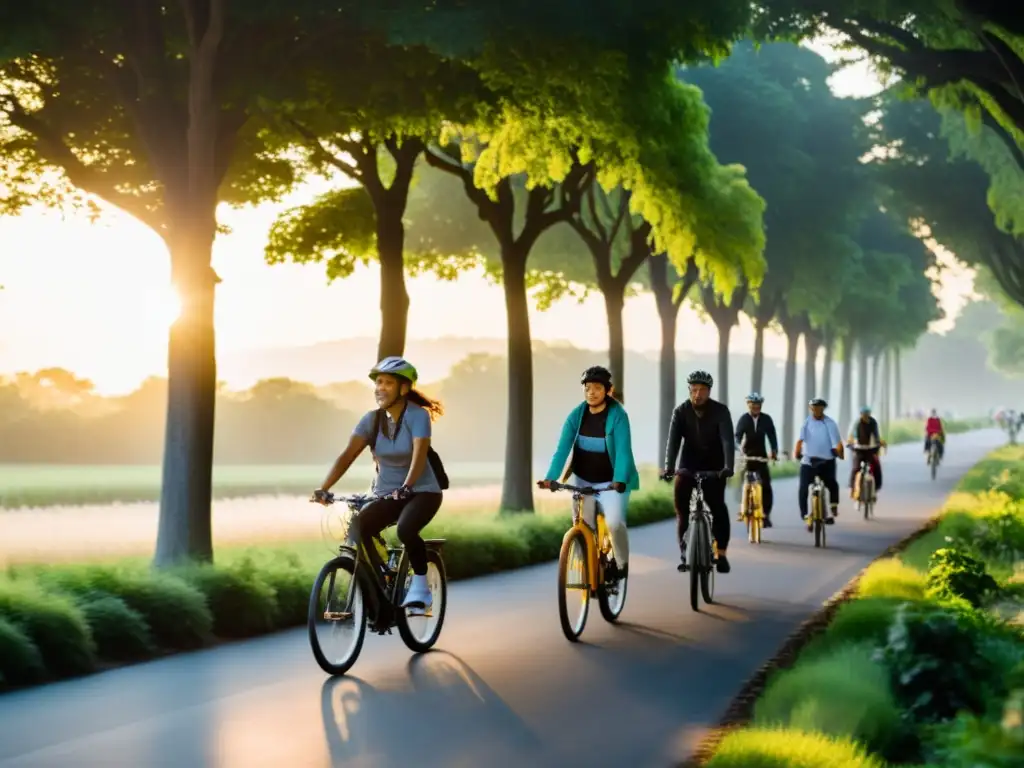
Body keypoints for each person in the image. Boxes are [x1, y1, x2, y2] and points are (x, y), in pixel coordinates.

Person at [312, 356, 443, 615]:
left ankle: (420, 588)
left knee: (406, 530)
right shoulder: (371, 420)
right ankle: (384, 581)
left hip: (423, 492)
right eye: (378, 382)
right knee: (359, 526)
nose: (380, 388)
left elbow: (419, 455)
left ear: (404, 388)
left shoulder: (418, 417)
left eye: (388, 383)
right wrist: (323, 488)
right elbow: (347, 456)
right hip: (388, 494)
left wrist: (407, 486)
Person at [539, 365, 639, 582]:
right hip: (583, 480)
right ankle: (587, 567)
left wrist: (620, 480)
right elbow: (562, 448)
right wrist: (550, 478)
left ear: (608, 390)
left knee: (614, 523)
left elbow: (623, 451)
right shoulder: (577, 415)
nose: (591, 392)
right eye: (587, 388)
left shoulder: (618, 416)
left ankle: (621, 563)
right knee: (582, 525)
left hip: (611, 483)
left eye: (597, 388)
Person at [661, 369, 735, 574]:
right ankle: (685, 551)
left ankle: (721, 553)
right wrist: (669, 467)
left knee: (718, 507)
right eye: (694, 390)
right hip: (688, 464)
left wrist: (729, 467)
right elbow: (673, 442)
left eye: (702, 390)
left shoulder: (721, 411)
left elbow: (727, 440)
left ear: (709, 391)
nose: (698, 394)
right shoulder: (681, 411)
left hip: (715, 466)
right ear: (689, 390)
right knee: (682, 509)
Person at [794, 397, 844, 526]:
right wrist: (797, 452)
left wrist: (840, 453)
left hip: (826, 461)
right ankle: (805, 514)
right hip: (809, 461)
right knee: (803, 488)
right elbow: (800, 440)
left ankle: (833, 507)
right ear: (811, 409)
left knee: (832, 484)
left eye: (819, 407)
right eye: (814, 408)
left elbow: (838, 443)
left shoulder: (830, 423)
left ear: (823, 409)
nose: (816, 410)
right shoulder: (806, 423)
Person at [734, 392, 779, 527]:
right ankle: (743, 507)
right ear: (748, 405)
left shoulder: (766, 419)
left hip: (761, 456)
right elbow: (737, 436)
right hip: (747, 455)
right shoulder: (744, 419)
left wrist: (774, 451)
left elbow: (772, 436)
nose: (755, 407)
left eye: (758, 405)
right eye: (753, 405)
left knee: (766, 484)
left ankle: (766, 514)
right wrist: (738, 450)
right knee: (743, 481)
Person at [847, 406, 886, 497]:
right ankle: (853, 488)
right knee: (856, 468)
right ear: (861, 414)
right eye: (864, 414)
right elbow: (851, 436)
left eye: (867, 414)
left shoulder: (873, 423)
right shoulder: (856, 423)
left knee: (876, 467)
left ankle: (875, 488)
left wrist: (880, 443)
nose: (866, 416)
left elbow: (876, 435)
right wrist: (850, 442)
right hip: (859, 449)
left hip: (871, 449)